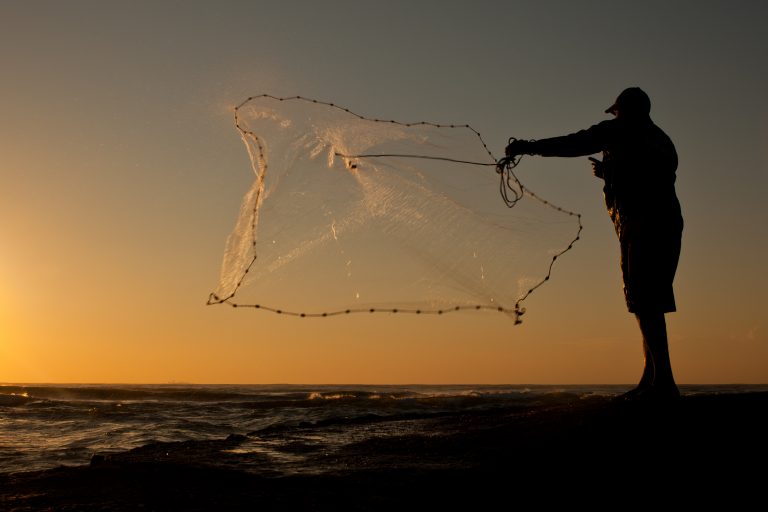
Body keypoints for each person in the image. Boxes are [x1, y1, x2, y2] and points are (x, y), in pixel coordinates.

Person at [505, 87, 683, 401]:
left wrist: (527, 147)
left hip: (642, 224)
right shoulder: (661, 139)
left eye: (616, 112)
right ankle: (651, 378)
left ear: (622, 111)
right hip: (666, 222)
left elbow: (574, 143)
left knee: (645, 299)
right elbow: (655, 175)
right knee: (647, 301)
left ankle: (663, 383)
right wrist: (610, 172)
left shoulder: (618, 131)